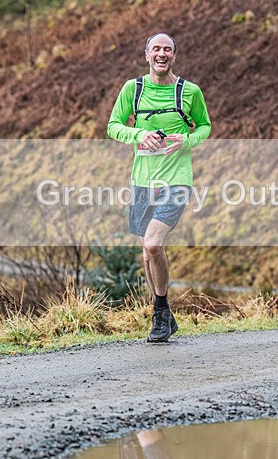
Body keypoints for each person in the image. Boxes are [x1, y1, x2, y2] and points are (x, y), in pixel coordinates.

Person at [107, 33, 211, 343]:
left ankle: (160, 309)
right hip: (142, 181)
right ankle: (163, 314)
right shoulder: (133, 89)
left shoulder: (189, 91)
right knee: (147, 251)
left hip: (177, 180)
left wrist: (187, 140)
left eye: (167, 49)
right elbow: (113, 126)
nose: (161, 54)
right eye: (156, 49)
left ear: (174, 56)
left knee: (153, 245)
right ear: (147, 55)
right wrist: (138, 135)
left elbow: (205, 125)